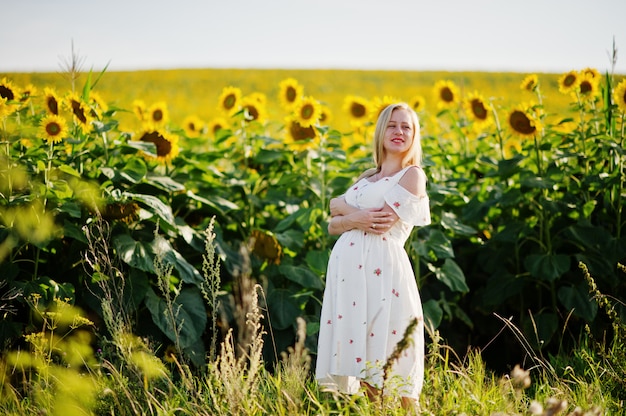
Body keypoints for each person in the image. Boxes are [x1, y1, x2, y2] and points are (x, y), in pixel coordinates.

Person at [315, 102, 431, 410]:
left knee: (390, 349)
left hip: (384, 274)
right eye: (392, 125)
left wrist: (343, 206)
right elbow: (332, 225)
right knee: (363, 352)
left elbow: (381, 223)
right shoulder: (368, 176)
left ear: (414, 135)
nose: (399, 132)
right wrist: (348, 216)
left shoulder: (412, 175)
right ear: (381, 131)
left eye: (406, 127)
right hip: (351, 278)